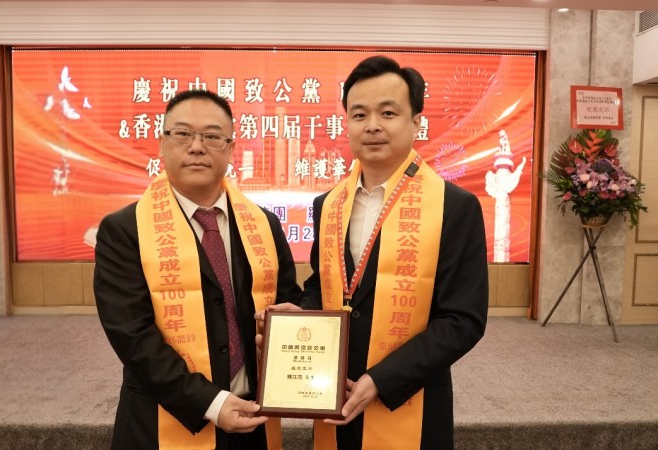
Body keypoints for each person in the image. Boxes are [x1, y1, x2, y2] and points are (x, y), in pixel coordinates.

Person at [261, 55, 488, 449]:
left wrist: (382, 379)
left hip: (410, 398)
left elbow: (462, 319)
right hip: (333, 392)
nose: (373, 125)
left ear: (415, 122)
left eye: (388, 112)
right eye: (359, 114)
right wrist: (302, 311)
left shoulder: (454, 206)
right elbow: (326, 283)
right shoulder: (329, 204)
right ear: (346, 123)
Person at [94, 89, 302, 450]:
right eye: (183, 134)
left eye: (212, 136)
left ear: (231, 149)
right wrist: (212, 403)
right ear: (162, 145)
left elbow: (286, 303)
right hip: (164, 421)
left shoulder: (263, 224)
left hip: (252, 418)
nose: (196, 147)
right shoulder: (125, 230)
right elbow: (133, 336)